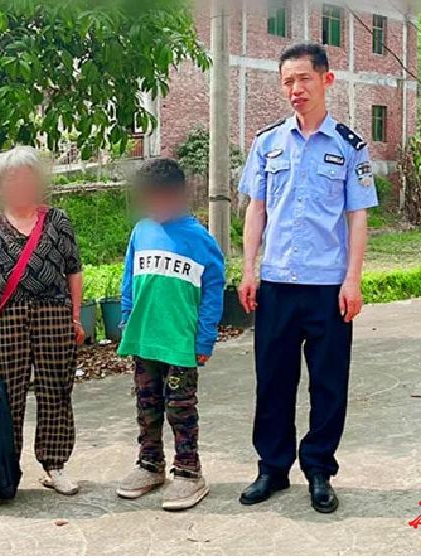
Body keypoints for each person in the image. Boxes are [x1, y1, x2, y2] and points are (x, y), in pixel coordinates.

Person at [237, 43, 378, 513]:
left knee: (329, 383)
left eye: (304, 79)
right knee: (273, 381)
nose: (295, 89)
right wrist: (249, 269)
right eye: (287, 81)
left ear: (326, 80)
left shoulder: (349, 146)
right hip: (277, 282)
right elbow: (256, 209)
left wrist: (353, 279)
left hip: (327, 286)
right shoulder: (267, 143)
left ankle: (319, 469)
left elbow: (358, 216)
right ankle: (272, 469)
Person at [0, 146, 85, 506]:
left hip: (53, 314)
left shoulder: (57, 221)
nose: (21, 184)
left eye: (27, 177)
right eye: (13, 178)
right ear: (1, 184)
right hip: (6, 319)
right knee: (5, 397)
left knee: (56, 390)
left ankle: (55, 464)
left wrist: (75, 317)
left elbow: (74, 271)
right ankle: (2, 471)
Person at [115, 159, 225, 511]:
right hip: (144, 338)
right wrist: (127, 319)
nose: (155, 206)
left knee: (180, 407)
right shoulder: (141, 232)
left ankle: (189, 472)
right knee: (147, 405)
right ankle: (150, 464)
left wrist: (204, 339)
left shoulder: (200, 239)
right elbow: (129, 279)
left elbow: (213, 291)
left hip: (181, 343)